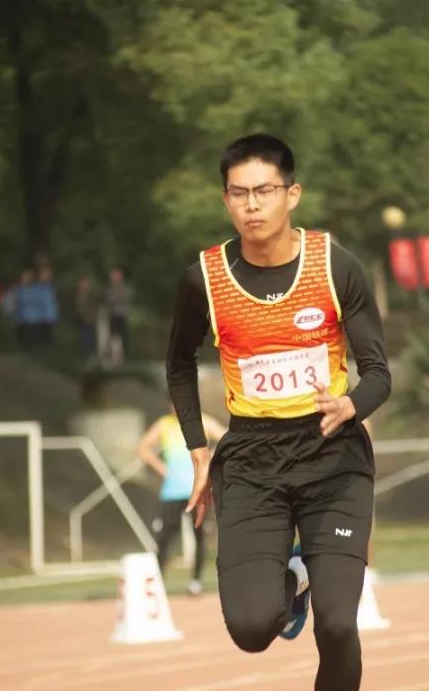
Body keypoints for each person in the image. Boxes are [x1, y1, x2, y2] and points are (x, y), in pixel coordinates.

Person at [166, 134, 390, 690]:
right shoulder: (204, 279)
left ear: (292, 194)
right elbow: (178, 364)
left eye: (264, 191)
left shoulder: (335, 266)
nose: (252, 205)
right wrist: (198, 450)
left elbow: (379, 373)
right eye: (239, 193)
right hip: (252, 461)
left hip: (332, 455)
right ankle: (293, 579)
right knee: (251, 628)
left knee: (337, 624)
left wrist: (351, 404)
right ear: (225, 200)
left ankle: (318, 583)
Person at [137, 405, 227, 596]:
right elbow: (143, 447)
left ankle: (196, 582)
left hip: (199, 490)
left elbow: (226, 438)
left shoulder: (203, 420)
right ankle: (158, 584)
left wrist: (210, 458)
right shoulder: (164, 424)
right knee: (164, 538)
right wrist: (162, 469)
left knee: (199, 536)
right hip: (172, 492)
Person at [105, 267, 132, 365]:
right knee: (114, 336)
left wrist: (115, 299)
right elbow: (109, 299)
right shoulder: (110, 288)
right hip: (113, 315)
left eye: (115, 275)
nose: (113, 277)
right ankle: (115, 356)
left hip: (121, 314)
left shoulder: (124, 288)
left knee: (123, 335)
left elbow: (124, 298)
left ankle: (124, 356)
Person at [74, 275, 99, 362]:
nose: (85, 286)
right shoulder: (78, 295)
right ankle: (86, 356)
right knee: (85, 338)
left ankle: (91, 355)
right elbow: (79, 309)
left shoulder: (91, 295)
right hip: (83, 321)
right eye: (83, 284)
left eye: (86, 284)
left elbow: (94, 307)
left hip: (91, 321)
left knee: (92, 338)